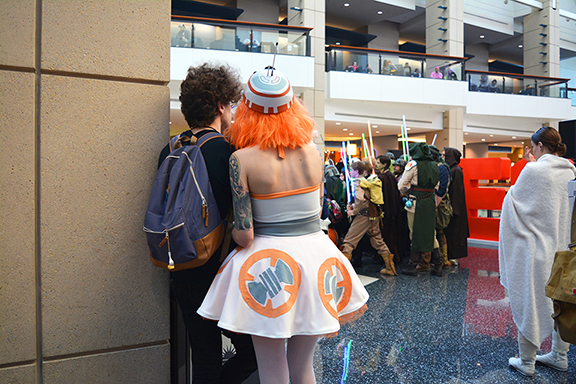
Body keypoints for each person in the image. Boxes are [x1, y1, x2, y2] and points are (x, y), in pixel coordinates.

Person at [198, 66, 369, 384]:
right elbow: (317, 211)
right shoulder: (313, 153)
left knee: (272, 368)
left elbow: (245, 234)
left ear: (247, 110)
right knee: (303, 365)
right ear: (292, 109)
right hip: (317, 260)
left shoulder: (242, 159)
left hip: (267, 266)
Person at [166, 63, 257, 383]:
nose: (232, 110)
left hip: (180, 267)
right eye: (231, 104)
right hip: (220, 272)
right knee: (251, 353)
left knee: (203, 359)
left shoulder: (171, 148)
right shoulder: (228, 152)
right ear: (220, 105)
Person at [498, 127, 576, 377]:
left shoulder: (533, 169)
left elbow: (513, 202)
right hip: (562, 248)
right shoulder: (570, 170)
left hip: (536, 250)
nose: (531, 151)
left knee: (529, 299)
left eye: (532, 146)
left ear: (540, 146)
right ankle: (559, 356)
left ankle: (527, 361)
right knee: (561, 300)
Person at [341, 161, 397, 276]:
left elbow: (360, 199)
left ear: (356, 171)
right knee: (377, 240)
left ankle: (342, 272)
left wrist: (353, 211)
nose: (350, 172)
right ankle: (390, 267)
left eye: (351, 170)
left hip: (363, 215)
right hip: (372, 214)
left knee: (349, 242)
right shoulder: (368, 181)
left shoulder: (358, 182)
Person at [398, 143, 442, 277]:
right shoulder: (435, 165)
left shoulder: (413, 165)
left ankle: (412, 265)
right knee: (431, 234)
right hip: (429, 203)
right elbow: (437, 185)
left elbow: (401, 185)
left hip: (416, 203)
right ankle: (438, 265)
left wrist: (407, 194)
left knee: (414, 234)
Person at [443, 147, 469, 263]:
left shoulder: (456, 170)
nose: (443, 157)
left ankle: (452, 257)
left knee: (454, 233)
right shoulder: (452, 169)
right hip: (453, 207)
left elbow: (456, 192)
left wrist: (453, 210)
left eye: (445, 155)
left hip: (455, 208)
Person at [376, 155, 402, 263]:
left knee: (385, 235)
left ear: (384, 164)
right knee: (391, 234)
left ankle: (387, 258)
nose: (376, 164)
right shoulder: (391, 176)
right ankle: (394, 256)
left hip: (385, 210)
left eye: (378, 163)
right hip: (393, 209)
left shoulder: (382, 178)